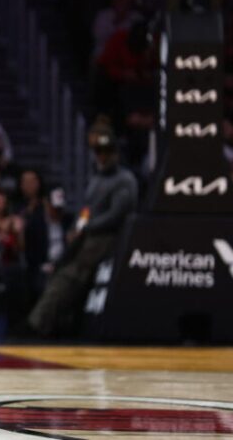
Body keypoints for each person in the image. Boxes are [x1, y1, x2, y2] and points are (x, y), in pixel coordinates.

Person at [28, 128, 137, 337]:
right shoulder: (96, 179)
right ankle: (46, 324)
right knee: (60, 266)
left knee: (71, 275)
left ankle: (37, 324)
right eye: (99, 151)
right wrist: (77, 228)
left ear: (116, 153)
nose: (103, 156)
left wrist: (86, 227)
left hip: (109, 238)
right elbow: (87, 210)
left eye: (107, 151)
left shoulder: (125, 180)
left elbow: (116, 215)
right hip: (88, 235)